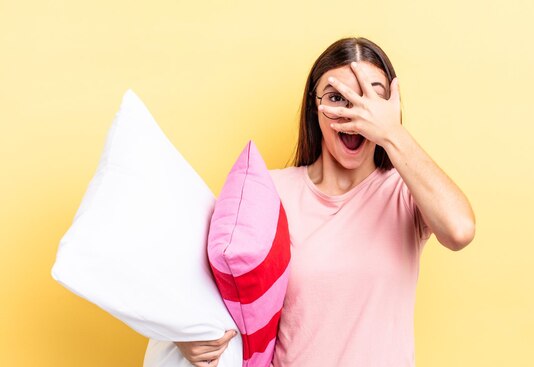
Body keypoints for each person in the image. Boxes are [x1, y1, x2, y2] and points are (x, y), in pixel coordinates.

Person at [176, 36, 475, 367]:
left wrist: (392, 133)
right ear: (313, 107)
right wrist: (189, 337)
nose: (354, 113)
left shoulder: (405, 193)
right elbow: (212, 287)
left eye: (370, 98)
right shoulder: (270, 191)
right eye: (337, 98)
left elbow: (460, 230)